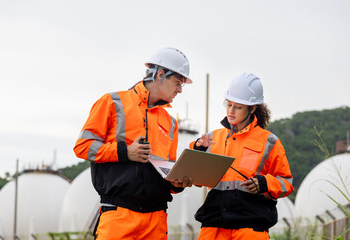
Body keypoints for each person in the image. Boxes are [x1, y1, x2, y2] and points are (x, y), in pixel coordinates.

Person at [73, 47, 193, 240]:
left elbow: (167, 171)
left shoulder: (170, 123)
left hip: (156, 220)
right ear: (160, 74)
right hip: (118, 215)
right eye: (178, 83)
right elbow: (83, 146)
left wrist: (177, 183)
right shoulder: (112, 102)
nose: (180, 90)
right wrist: (125, 152)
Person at [190, 73, 294, 240]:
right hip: (214, 226)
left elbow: (286, 183)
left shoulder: (269, 141)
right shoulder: (212, 138)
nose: (230, 111)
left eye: (237, 107)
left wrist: (264, 183)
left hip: (250, 227)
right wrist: (197, 149)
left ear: (252, 108)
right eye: (228, 104)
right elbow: (193, 175)